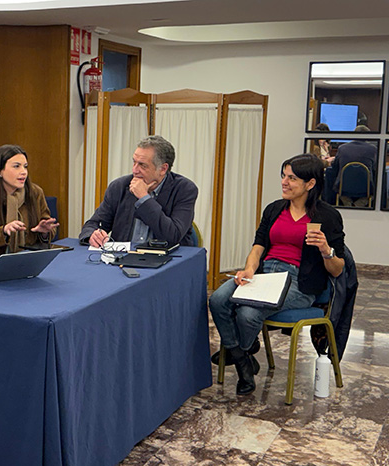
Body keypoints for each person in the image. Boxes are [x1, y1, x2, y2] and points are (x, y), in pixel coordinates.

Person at [209, 154, 345, 395]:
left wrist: (326, 250)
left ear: (310, 184)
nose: (284, 182)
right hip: (265, 275)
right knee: (217, 299)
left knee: (248, 314)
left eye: (292, 178)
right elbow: (258, 247)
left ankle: (240, 360)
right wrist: (249, 269)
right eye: (284, 176)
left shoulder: (327, 216)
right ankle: (242, 356)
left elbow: (338, 268)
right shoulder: (274, 209)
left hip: (299, 283)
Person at [79, 135, 198, 248]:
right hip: (123, 257)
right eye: (134, 162)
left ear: (163, 169)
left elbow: (173, 236)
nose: (134, 170)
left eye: (142, 165)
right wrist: (92, 235)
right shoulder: (119, 187)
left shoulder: (184, 189)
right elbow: (93, 224)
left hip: (167, 258)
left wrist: (144, 198)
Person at [0, 145, 59, 261]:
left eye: (25, 167)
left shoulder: (35, 193)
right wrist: (3, 232)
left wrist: (44, 232)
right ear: (0, 171)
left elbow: (49, 227)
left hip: (29, 259)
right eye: (16, 166)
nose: (23, 172)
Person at [328, 125, 377, 206]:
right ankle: (359, 204)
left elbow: (335, 166)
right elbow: (376, 169)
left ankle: (347, 203)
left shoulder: (342, 148)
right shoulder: (373, 149)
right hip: (366, 189)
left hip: (343, 188)